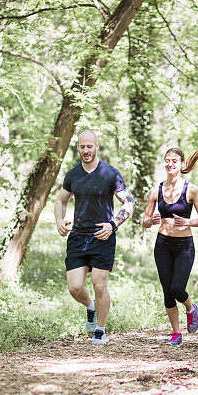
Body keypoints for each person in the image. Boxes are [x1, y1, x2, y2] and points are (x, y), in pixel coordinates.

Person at [55, 130, 135, 345]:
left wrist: (113, 224)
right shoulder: (73, 175)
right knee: (74, 287)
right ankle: (90, 307)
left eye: (89, 146)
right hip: (78, 237)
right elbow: (60, 201)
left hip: (102, 236)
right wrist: (59, 221)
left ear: (96, 146)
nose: (86, 150)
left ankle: (100, 329)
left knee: (100, 286)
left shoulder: (110, 173)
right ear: (78, 147)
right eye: (82, 147)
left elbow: (129, 202)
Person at [142, 147, 198, 346]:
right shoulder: (156, 190)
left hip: (184, 246)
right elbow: (144, 220)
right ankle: (176, 334)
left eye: (174, 161)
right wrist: (150, 221)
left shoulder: (192, 190)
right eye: (167, 160)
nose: (170, 163)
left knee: (177, 288)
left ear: (181, 164)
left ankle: (190, 307)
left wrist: (188, 222)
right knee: (167, 291)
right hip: (162, 244)